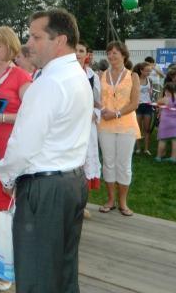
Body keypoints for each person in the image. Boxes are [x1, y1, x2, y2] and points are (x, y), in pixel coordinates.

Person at [0, 8, 92, 293]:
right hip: (71, 181)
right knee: (63, 272)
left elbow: (24, 145)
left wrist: (6, 176)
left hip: (45, 188)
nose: (28, 44)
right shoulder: (76, 75)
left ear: (59, 40)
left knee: (37, 276)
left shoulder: (49, 83)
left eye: (36, 37)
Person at [0, 26, 31, 291]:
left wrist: (1, 117)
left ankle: (7, 269)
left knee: (5, 210)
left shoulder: (21, 76)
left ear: (10, 47)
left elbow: (31, 114)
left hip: (7, 147)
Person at [97, 41, 140, 217]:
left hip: (126, 125)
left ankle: (123, 202)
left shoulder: (133, 76)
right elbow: (96, 99)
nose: (111, 56)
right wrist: (102, 110)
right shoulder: (101, 75)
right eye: (109, 53)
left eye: (115, 53)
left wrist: (115, 114)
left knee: (123, 164)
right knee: (108, 162)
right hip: (105, 124)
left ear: (123, 55)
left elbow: (134, 103)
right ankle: (110, 200)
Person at [76, 41, 102, 219]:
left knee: (85, 165)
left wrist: (95, 113)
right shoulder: (63, 74)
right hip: (68, 127)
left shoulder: (93, 76)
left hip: (86, 127)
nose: (78, 54)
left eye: (81, 51)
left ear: (87, 55)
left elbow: (99, 103)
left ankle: (82, 205)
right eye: (75, 50)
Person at [154, 82, 176, 163]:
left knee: (162, 139)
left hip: (165, 122)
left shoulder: (166, 99)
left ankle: (158, 157)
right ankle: (174, 158)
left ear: (167, 90)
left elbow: (158, 102)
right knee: (175, 140)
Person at [133, 62, 154, 155]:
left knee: (147, 129)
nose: (149, 73)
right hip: (138, 106)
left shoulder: (150, 80)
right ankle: (138, 148)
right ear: (141, 70)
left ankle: (146, 149)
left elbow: (151, 93)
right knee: (138, 128)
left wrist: (151, 96)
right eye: (147, 71)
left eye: (150, 71)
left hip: (148, 106)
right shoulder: (135, 79)